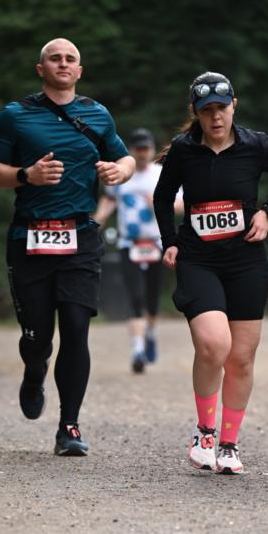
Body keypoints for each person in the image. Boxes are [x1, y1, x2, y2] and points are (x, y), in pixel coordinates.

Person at [0, 37, 135, 456]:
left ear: (79, 71)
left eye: (71, 59)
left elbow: (126, 159)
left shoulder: (97, 114)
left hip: (81, 236)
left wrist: (118, 171)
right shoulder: (16, 115)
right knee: (38, 338)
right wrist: (26, 175)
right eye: (55, 58)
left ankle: (70, 426)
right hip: (29, 237)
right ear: (41, 69)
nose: (63, 64)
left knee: (76, 327)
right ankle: (34, 373)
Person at [154, 71, 268, 474]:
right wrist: (169, 239)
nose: (215, 117)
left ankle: (227, 444)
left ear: (233, 106)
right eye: (207, 111)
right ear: (196, 113)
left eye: (221, 108)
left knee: (240, 359)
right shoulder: (184, 152)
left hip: (245, 261)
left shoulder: (255, 145)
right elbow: (162, 195)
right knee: (213, 344)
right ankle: (204, 432)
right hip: (198, 259)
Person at [96, 128, 183, 373]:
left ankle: (151, 334)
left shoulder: (162, 174)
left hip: (158, 243)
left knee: (152, 298)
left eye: (146, 149)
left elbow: (181, 205)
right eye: (138, 149)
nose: (143, 153)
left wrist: (160, 204)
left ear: (152, 150)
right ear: (132, 151)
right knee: (135, 296)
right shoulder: (123, 174)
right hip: (129, 244)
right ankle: (137, 349)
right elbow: (109, 198)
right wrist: (99, 219)